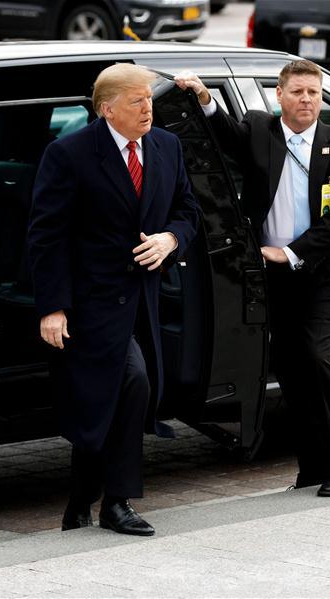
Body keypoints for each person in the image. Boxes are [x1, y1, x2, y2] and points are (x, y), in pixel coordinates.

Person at [176, 60, 330, 496]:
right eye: (297, 92)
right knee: (294, 371)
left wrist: (292, 252)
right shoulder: (261, 131)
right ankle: (313, 468)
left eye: (313, 93)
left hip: (324, 274)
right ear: (279, 95)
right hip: (273, 278)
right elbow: (224, 136)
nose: (306, 100)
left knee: (320, 358)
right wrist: (203, 96)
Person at [28, 64, 199, 535]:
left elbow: (188, 210)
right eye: (136, 102)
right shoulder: (70, 154)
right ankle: (117, 503)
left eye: (149, 99)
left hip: (146, 299)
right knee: (132, 383)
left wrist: (170, 240)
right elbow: (47, 236)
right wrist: (52, 307)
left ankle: (81, 499)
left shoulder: (167, 146)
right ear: (107, 109)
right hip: (92, 303)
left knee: (107, 396)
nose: (148, 108)